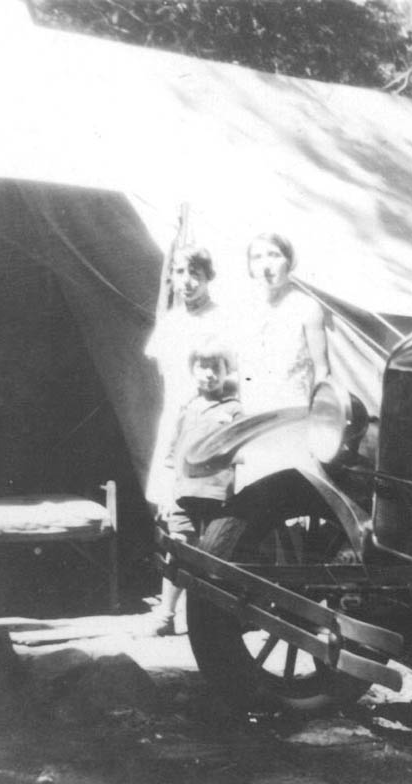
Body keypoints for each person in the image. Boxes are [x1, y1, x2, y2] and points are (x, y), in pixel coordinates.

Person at [142, 245, 228, 636]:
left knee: (208, 522)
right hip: (179, 423)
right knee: (175, 518)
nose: (187, 281)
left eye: (195, 272)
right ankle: (167, 612)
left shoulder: (224, 320)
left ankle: (210, 617)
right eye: (179, 272)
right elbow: (164, 380)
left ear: (208, 276)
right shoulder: (171, 322)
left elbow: (236, 377)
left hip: (212, 425)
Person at [143, 340, 242, 637]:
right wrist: (166, 494)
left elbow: (240, 454)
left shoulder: (234, 409)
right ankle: (166, 615)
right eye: (203, 367)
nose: (209, 374)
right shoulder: (186, 407)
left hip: (218, 495)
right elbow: (171, 456)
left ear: (226, 372)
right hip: (184, 493)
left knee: (214, 557)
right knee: (178, 548)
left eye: (216, 368)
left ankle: (211, 622)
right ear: (193, 370)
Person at [237, 232, 330, 414]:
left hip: (293, 413)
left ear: (289, 261)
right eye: (257, 257)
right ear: (249, 267)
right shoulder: (243, 308)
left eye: (274, 255)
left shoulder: (307, 307)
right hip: (251, 414)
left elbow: (322, 368)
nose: (266, 265)